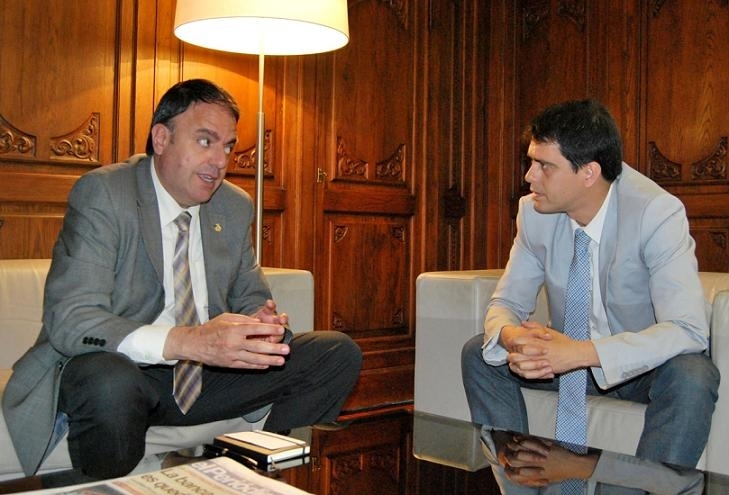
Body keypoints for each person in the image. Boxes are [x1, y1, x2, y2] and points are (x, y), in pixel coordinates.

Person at [2, 79, 362, 479]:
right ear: (161, 138)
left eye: (228, 146)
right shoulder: (105, 193)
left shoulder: (233, 205)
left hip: (205, 375)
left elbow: (250, 296)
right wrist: (188, 341)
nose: (220, 161)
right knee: (111, 381)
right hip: (124, 369)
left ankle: (254, 476)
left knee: (335, 353)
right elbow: (71, 320)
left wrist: (260, 326)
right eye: (205, 141)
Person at [461, 99, 719, 469]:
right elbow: (506, 302)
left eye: (544, 166)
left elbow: (688, 329)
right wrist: (511, 336)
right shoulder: (534, 213)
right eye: (531, 162)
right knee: (480, 352)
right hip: (565, 363)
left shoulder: (656, 213)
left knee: (693, 374)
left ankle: (648, 487)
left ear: (589, 173)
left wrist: (582, 353)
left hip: (640, 368)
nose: (529, 177)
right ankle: (520, 478)